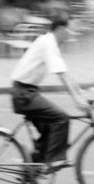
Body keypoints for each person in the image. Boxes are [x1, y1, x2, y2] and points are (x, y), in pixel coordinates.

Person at [10, 15, 88, 171]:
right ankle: (53, 161)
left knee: (50, 126)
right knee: (61, 118)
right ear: (60, 29)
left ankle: (33, 166)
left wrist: (81, 93)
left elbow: (65, 73)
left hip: (26, 92)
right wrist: (77, 100)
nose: (72, 34)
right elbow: (61, 75)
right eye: (70, 30)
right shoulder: (48, 43)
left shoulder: (49, 42)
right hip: (24, 94)